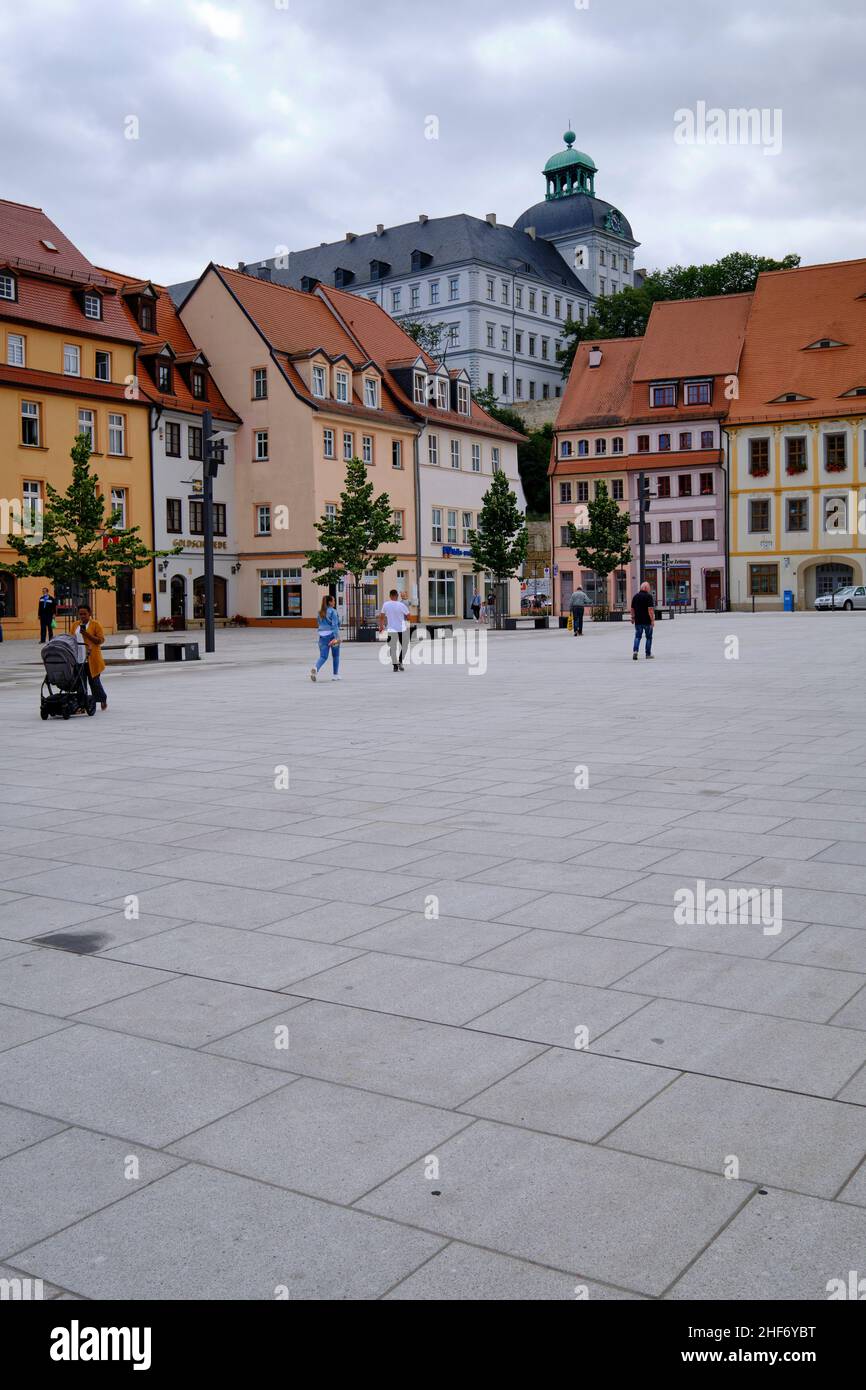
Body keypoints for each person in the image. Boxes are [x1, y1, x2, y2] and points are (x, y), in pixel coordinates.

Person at [76, 603, 108, 708]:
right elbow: (71, 639)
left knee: (94, 682)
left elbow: (100, 640)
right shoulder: (75, 625)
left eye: (84, 614)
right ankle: (82, 705)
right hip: (79, 659)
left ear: (89, 613)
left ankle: (102, 699)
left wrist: (86, 634)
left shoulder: (95, 624)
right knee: (81, 684)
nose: (82, 616)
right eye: (80, 614)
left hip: (92, 658)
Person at [378, 588, 410, 671]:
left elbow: (381, 617)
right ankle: (400, 661)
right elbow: (408, 615)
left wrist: (381, 627)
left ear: (390, 596)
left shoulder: (386, 604)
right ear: (397, 596)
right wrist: (406, 622)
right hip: (401, 629)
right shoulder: (401, 605)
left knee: (393, 648)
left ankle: (395, 666)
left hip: (391, 630)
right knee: (405, 646)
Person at [310, 594, 341, 681]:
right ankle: (335, 675)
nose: (334, 602)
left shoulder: (320, 612)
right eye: (333, 601)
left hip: (322, 636)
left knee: (323, 656)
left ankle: (316, 668)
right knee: (336, 655)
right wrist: (337, 638)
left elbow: (319, 623)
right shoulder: (333, 611)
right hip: (332, 636)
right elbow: (335, 625)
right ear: (330, 602)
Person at [631, 580, 655, 660]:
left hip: (638, 621)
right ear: (645, 588)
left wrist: (633, 618)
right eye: (649, 588)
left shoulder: (635, 596)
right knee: (649, 637)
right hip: (647, 621)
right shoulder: (649, 597)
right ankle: (648, 654)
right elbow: (650, 610)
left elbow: (632, 609)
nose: (649, 589)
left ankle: (635, 651)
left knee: (637, 637)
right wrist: (652, 620)